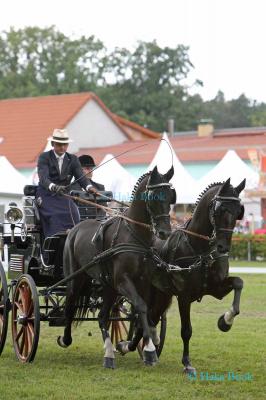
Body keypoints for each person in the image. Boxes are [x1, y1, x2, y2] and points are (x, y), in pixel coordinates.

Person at [36, 129, 95, 238]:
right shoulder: (44, 157)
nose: (62, 147)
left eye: (65, 144)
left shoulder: (73, 159)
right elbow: (43, 178)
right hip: (46, 194)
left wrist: (89, 187)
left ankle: (73, 241)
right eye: (59, 144)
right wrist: (54, 187)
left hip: (63, 195)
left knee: (74, 213)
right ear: (52, 144)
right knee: (55, 215)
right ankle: (53, 244)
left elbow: (81, 177)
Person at [71, 154, 106, 219]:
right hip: (76, 225)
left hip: (95, 225)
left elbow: (103, 210)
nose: (90, 171)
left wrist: (97, 222)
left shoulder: (100, 187)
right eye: (87, 169)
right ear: (78, 170)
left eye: (91, 168)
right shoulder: (70, 189)